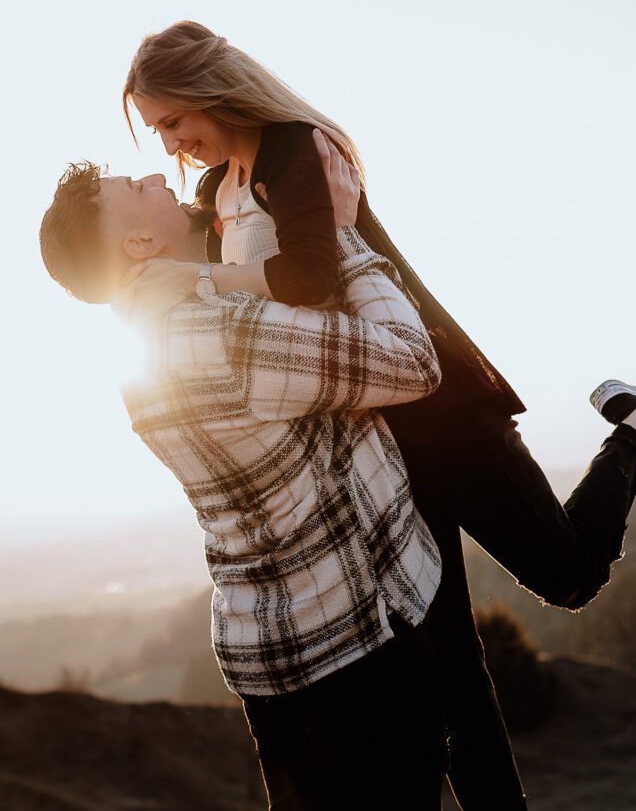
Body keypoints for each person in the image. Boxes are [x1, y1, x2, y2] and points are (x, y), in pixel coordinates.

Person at [117, 21, 636, 809]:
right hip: (372, 455)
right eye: (158, 130)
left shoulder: (296, 148)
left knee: (569, 577)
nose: (171, 144)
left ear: (210, 89)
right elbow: (242, 323)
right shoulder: (216, 194)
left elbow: (309, 278)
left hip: (441, 415)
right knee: (453, 671)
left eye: (174, 120)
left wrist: (197, 280)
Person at [39, 143, 451, 809]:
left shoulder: (144, 355)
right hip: (353, 654)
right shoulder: (223, 333)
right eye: (137, 188)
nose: (154, 175)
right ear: (142, 242)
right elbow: (411, 363)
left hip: (266, 667)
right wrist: (340, 234)